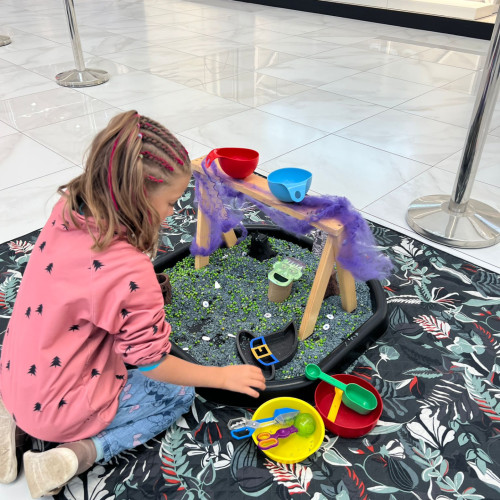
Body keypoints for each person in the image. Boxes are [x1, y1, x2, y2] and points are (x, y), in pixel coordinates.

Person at [0, 110, 266, 498]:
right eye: (171, 202)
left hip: (14, 375)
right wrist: (221, 377)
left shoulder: (68, 207)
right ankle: (78, 454)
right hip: (59, 410)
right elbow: (153, 363)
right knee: (177, 395)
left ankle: (11, 424)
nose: (173, 212)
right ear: (138, 197)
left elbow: (85, 288)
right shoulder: (130, 271)